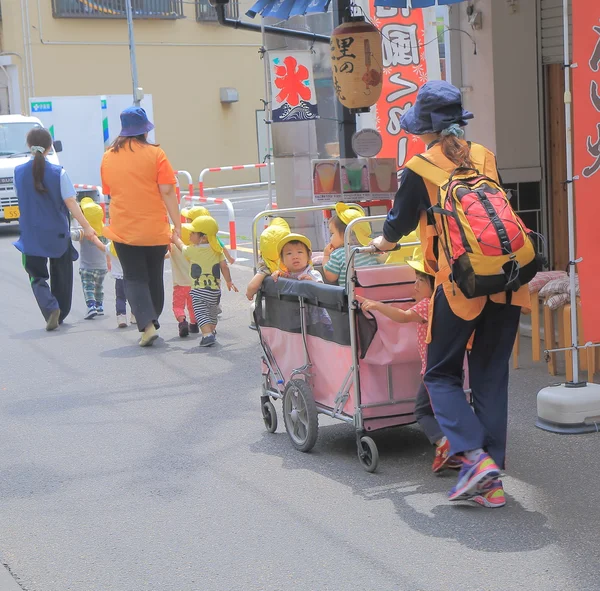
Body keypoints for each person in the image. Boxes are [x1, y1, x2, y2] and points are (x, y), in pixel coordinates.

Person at [371, 80, 529, 509]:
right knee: (490, 376)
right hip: (508, 279)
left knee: (440, 374)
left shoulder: (421, 167)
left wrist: (378, 246)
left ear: (424, 128)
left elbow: (397, 226)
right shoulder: (484, 156)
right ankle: (490, 481)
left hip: (460, 285)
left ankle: (475, 460)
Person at [356, 247, 461, 474]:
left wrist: (376, 305)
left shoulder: (428, 305)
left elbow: (403, 317)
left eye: (419, 282)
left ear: (433, 286)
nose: (414, 286)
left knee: (422, 411)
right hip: (453, 366)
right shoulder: (449, 303)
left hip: (433, 370)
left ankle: (444, 444)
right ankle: (451, 449)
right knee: (444, 409)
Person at [101, 107, 181, 347]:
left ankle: (146, 325)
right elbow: (167, 191)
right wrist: (177, 225)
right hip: (154, 228)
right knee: (154, 276)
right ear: (145, 130)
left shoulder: (108, 157)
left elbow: (109, 192)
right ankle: (152, 319)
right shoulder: (157, 155)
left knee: (134, 277)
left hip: (123, 228)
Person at [13, 127, 95, 331]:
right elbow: (71, 203)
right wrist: (88, 227)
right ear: (50, 147)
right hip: (58, 233)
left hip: (31, 234)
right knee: (63, 274)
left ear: (29, 146)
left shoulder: (18, 172)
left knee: (36, 275)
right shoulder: (60, 173)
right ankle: (61, 311)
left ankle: (50, 308)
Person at [171, 215, 237, 347]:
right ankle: (211, 330)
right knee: (212, 312)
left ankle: (207, 335)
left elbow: (181, 246)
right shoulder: (217, 249)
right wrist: (229, 281)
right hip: (215, 291)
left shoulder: (193, 250)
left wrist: (175, 238)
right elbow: (224, 266)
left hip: (198, 291)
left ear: (203, 237)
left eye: (193, 233)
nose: (189, 235)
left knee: (200, 312)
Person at [322, 202, 382, 287]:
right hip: (374, 292)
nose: (331, 238)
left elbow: (330, 277)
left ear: (347, 233)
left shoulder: (339, 254)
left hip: (352, 298)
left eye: (332, 233)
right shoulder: (371, 249)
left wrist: (326, 256)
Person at [70, 198, 108, 320]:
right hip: (102, 267)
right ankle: (99, 306)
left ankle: (91, 306)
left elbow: (73, 236)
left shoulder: (84, 231)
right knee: (98, 287)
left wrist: (73, 222)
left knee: (88, 287)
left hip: (87, 267)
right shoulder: (104, 231)